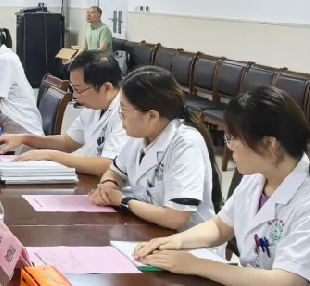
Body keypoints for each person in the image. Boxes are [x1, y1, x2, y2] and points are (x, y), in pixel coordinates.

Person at [133, 86, 310, 286]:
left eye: (233, 138)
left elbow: (285, 281)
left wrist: (195, 265)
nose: (230, 147)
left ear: (269, 144)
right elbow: (220, 227)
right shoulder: (258, 177)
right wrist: (175, 241)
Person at [89, 66, 223, 234]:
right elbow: (115, 171)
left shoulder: (186, 144)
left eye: (123, 112)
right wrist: (108, 188)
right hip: (148, 228)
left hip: (187, 239)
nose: (121, 119)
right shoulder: (141, 135)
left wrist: (122, 201)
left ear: (152, 116)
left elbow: (176, 217)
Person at [0, 50, 128, 176]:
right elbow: (68, 142)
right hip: (93, 182)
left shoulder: (126, 112)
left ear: (106, 88)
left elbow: (109, 166)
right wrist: (24, 138)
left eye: (79, 90)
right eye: (74, 89)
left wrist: (52, 155)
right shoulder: (94, 106)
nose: (75, 96)